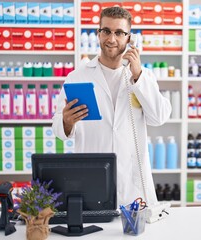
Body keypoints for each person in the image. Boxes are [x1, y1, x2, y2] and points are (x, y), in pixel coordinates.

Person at [52, 7, 172, 206]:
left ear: (129, 38)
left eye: (119, 33)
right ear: (98, 33)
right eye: (106, 31)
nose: (111, 38)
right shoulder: (77, 76)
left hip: (133, 184)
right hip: (91, 178)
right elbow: (59, 129)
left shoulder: (143, 76)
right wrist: (66, 122)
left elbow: (159, 117)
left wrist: (138, 76)